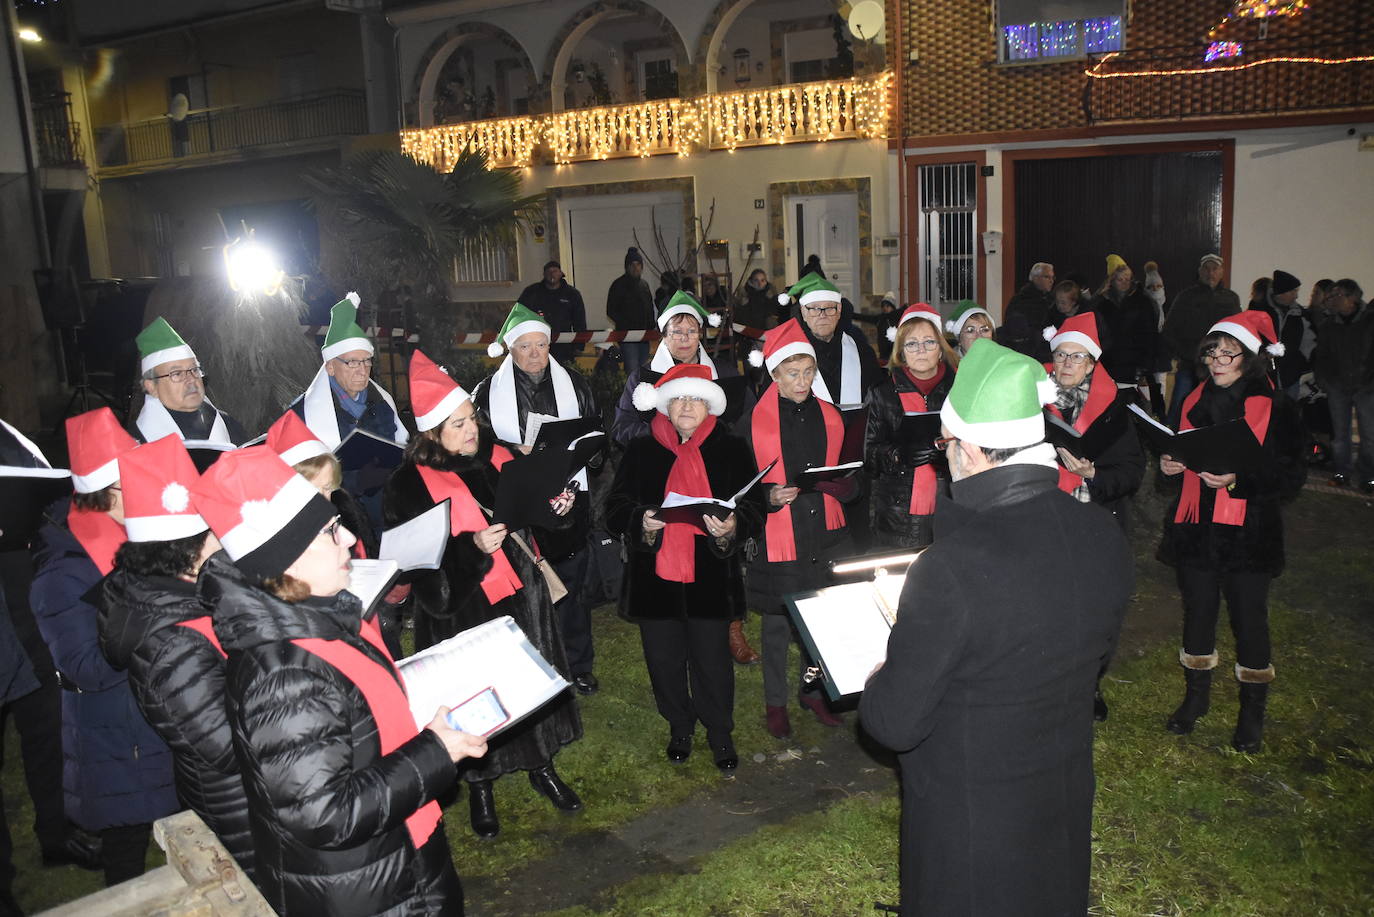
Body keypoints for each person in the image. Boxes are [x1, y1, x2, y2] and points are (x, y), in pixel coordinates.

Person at [860, 338, 1132, 917]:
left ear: (974, 449)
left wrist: (888, 668)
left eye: (945, 443)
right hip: (1060, 794)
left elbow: (893, 724)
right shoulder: (1102, 533)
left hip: (972, 821)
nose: (943, 456)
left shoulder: (949, 568)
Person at [192, 445, 487, 916]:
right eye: (330, 532)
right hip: (363, 889)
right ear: (286, 560)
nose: (350, 537)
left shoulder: (315, 618)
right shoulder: (284, 674)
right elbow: (324, 813)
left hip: (393, 855)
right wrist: (435, 752)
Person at [384, 351, 583, 839]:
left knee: (526, 687)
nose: (471, 431)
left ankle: (542, 766)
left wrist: (559, 507)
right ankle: (479, 786)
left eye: (471, 418)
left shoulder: (499, 459)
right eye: (458, 425)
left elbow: (544, 523)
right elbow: (419, 571)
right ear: (433, 433)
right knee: (473, 696)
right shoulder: (407, 486)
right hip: (462, 610)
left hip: (521, 595)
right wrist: (471, 549)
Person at [31, 408, 178, 887]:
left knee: (196, 842)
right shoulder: (62, 571)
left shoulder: (141, 538)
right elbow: (85, 669)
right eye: (130, 483)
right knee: (127, 864)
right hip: (118, 742)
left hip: (163, 721)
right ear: (102, 493)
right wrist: (148, 605)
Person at [96, 435, 253, 878]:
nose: (225, 538)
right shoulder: (168, 644)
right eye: (214, 532)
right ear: (186, 551)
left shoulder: (189, 597)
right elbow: (225, 747)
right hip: (237, 808)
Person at [1158, 311, 1306, 753]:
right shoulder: (1191, 401)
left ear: (1251, 357)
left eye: (1228, 352)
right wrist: (1168, 466)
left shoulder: (1275, 405)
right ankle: (1195, 700)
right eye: (1211, 351)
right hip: (1197, 527)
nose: (1217, 360)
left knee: (1249, 620)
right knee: (1198, 612)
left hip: (1249, 531)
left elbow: (1291, 474)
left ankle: (1251, 714)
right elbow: (1177, 455)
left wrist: (1238, 481)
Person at [606, 363, 760, 774]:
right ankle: (679, 724)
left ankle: (719, 731)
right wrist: (641, 519)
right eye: (677, 399)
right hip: (655, 574)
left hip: (711, 572)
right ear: (664, 406)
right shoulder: (642, 449)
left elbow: (754, 504)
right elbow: (613, 509)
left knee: (711, 659)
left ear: (709, 405)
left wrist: (733, 525)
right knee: (663, 658)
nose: (686, 406)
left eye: (694, 398)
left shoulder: (730, 447)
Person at [473, 304, 604, 696]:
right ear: (510, 350)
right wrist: (515, 450)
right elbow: (476, 451)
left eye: (541, 345)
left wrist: (578, 453)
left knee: (571, 586)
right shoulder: (486, 394)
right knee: (526, 588)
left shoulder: (576, 386)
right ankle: (535, 664)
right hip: (516, 501)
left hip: (567, 497)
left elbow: (598, 439)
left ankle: (578, 663)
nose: (534, 354)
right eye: (525, 346)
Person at [741, 320, 857, 739]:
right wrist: (767, 498)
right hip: (780, 534)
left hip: (824, 533)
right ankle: (776, 702)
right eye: (793, 373)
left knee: (822, 622)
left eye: (809, 372)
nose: (803, 381)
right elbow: (739, 488)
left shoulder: (830, 416)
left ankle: (814, 690)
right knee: (776, 626)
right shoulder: (752, 421)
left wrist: (845, 485)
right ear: (773, 374)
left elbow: (849, 475)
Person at [0, 418, 98, 877]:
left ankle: (57, 835)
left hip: (24, 615)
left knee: (46, 736)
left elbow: (48, 500)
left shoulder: (9, 438)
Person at [1044, 313, 1146, 721]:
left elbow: (1133, 471)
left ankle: (1090, 685)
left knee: (1094, 610)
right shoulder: (1031, 400)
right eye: (1061, 355)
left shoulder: (1115, 411)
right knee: (1048, 607)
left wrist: (1094, 475)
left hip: (1095, 520)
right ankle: (1047, 684)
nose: (1067, 364)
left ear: (1092, 364)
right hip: (1045, 520)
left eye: (1077, 357)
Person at [864, 303, 959, 550]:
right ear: (902, 351)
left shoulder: (961, 389)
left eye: (929, 342)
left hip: (950, 501)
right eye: (912, 344)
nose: (921, 350)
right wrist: (898, 455)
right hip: (898, 511)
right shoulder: (883, 392)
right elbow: (870, 454)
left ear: (940, 349)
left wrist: (949, 453)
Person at [289, 292, 407, 449]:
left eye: (366, 361)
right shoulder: (302, 414)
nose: (362, 371)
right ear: (330, 367)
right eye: (352, 362)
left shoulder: (383, 404)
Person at [132, 317, 247, 445]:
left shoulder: (229, 426)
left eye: (194, 370)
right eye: (177, 374)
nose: (191, 379)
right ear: (152, 386)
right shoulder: (138, 441)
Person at [779, 273, 883, 407]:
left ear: (839, 310)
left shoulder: (863, 353)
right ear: (803, 313)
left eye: (829, 308)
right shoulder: (786, 357)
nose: (822, 315)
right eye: (815, 309)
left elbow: (879, 402)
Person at [1161, 254, 1242, 423]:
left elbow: (1237, 332)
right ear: (1199, 272)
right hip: (1190, 366)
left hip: (1221, 368)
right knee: (1179, 409)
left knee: (1218, 412)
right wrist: (1188, 353)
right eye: (1206, 268)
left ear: (1221, 272)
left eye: (1214, 269)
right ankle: (1169, 445)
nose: (1210, 273)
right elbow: (1169, 331)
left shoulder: (1231, 299)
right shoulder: (1185, 297)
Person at [1312, 279, 1374, 490]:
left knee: (1369, 436)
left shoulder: (1370, 321)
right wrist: (1326, 382)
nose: (1332, 300)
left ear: (1353, 298)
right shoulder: (1329, 325)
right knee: (1340, 436)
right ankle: (1341, 473)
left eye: (1338, 295)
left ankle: (1368, 478)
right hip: (1338, 387)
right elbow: (1321, 357)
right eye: (1332, 295)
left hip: (1367, 387)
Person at [1092, 254, 1160, 392]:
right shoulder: (1102, 302)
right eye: (1120, 279)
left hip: (1134, 362)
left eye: (1127, 279)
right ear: (1111, 281)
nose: (1124, 283)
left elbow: (1149, 334)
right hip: (1109, 360)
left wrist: (1146, 366)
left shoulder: (1142, 302)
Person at [518, 261, 588, 364]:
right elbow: (519, 315)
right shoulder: (532, 292)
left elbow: (579, 321)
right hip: (536, 345)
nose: (552, 274)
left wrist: (579, 345)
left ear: (560, 273)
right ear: (544, 274)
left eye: (555, 271)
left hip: (564, 346)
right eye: (548, 272)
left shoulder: (572, 294)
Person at [606, 248, 655, 371]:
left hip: (644, 336)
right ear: (627, 267)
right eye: (632, 265)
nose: (635, 268)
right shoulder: (618, 285)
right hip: (627, 336)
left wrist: (650, 326)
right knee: (632, 368)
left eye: (638, 264)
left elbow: (649, 307)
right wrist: (625, 324)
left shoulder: (644, 285)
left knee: (644, 368)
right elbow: (611, 310)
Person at [998, 261, 1055, 357]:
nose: (1051, 281)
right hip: (1029, 351)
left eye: (1053, 277)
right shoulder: (1023, 299)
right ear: (1035, 278)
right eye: (1047, 277)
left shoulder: (1049, 298)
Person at [1267, 270, 1310, 394]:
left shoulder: (1300, 314)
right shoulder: (1262, 312)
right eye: (1293, 291)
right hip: (1266, 375)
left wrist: (1301, 364)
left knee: (1290, 411)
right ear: (1281, 293)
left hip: (1292, 374)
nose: (1296, 296)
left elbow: (1308, 341)